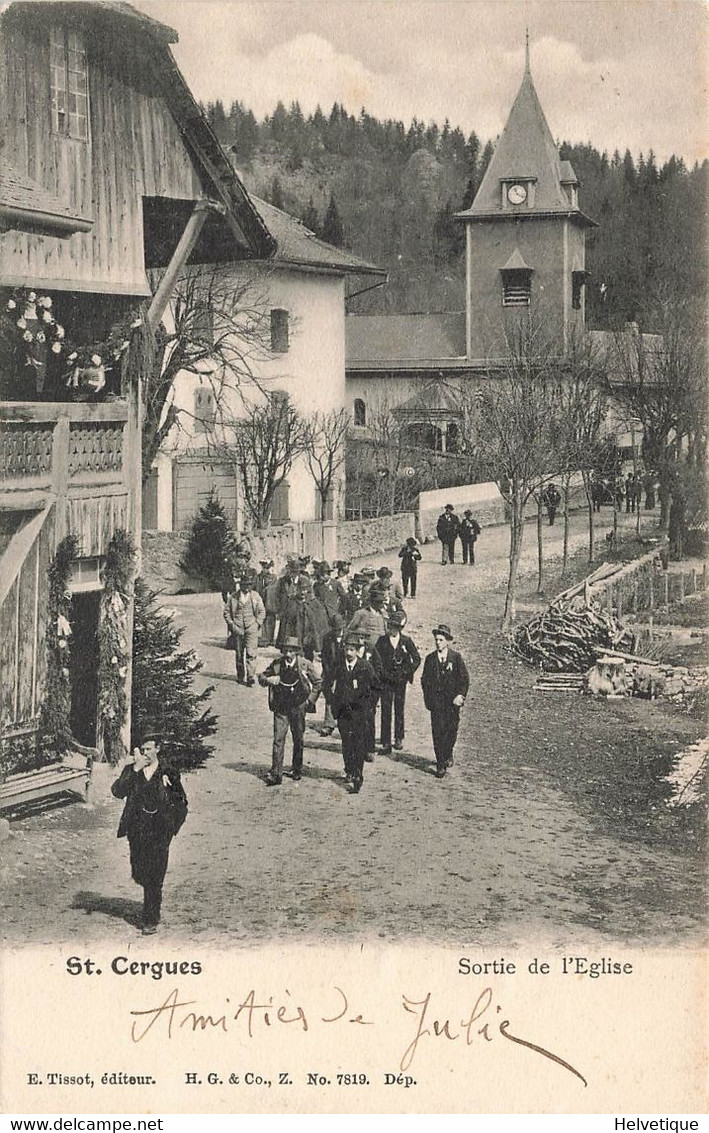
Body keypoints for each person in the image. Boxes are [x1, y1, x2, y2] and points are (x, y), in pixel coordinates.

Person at [111, 728, 188, 935]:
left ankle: (150, 918)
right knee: (140, 872)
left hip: (160, 830)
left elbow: (182, 801)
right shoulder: (132, 770)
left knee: (155, 875)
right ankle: (150, 899)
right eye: (143, 749)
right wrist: (135, 769)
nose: (145, 753)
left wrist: (172, 827)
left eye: (149, 749)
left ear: (158, 749)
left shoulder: (167, 772)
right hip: (138, 829)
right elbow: (117, 791)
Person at [258, 637, 321, 785]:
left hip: (299, 707)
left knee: (298, 738)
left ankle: (297, 769)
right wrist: (268, 680)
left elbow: (318, 683)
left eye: (291, 651)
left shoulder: (305, 665)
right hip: (281, 707)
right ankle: (276, 773)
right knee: (278, 739)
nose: (288, 654)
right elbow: (261, 677)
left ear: (297, 652)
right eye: (286, 650)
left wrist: (309, 701)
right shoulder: (277, 665)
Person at [330, 631, 377, 793]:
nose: (349, 653)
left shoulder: (365, 667)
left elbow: (376, 687)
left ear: (358, 651)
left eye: (352, 650)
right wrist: (332, 701)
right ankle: (349, 769)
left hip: (360, 713)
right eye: (347, 649)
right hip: (342, 712)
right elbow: (327, 683)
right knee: (346, 742)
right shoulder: (338, 665)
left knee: (358, 743)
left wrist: (369, 705)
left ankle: (358, 774)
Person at [420, 623, 469, 778]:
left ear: (447, 641)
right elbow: (425, 681)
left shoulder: (456, 658)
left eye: (441, 640)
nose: (438, 642)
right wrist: (429, 700)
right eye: (436, 640)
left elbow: (464, 679)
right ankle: (440, 763)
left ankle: (448, 753)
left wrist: (460, 696)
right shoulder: (430, 659)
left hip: (452, 703)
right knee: (438, 732)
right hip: (437, 703)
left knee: (451, 730)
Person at [374, 609, 420, 754]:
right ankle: (386, 741)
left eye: (395, 627)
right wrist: (382, 674)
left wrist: (407, 672)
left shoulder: (406, 641)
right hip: (386, 681)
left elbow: (417, 658)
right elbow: (376, 659)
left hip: (400, 681)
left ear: (400, 628)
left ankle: (399, 737)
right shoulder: (382, 641)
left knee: (399, 708)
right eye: (390, 627)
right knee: (386, 709)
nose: (392, 630)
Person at [224, 570, 265, 685]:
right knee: (239, 654)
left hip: (251, 628)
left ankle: (251, 676)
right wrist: (232, 625)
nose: (247, 588)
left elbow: (262, 611)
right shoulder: (233, 597)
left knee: (251, 653)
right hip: (238, 628)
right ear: (240, 585)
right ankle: (240, 675)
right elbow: (226, 613)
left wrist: (257, 624)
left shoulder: (255, 596)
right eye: (245, 585)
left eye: (249, 585)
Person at [319, 613, 345, 735]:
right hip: (330, 670)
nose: (338, 632)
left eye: (340, 629)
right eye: (336, 630)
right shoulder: (327, 638)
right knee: (328, 695)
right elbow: (324, 657)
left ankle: (343, 722)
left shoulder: (348, 638)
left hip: (344, 672)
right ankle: (329, 724)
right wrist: (328, 674)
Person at [256, 559, 277, 646]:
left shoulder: (273, 577)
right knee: (262, 619)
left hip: (270, 602)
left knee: (271, 620)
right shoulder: (258, 577)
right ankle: (264, 639)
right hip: (261, 600)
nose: (266, 570)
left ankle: (270, 639)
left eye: (267, 568)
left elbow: (274, 590)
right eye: (264, 568)